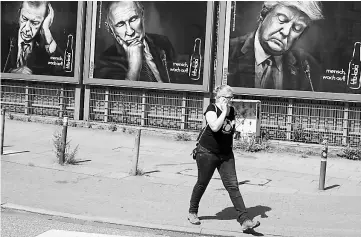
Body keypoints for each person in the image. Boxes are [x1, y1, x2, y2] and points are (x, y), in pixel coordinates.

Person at [188, 85, 260, 232]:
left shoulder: (231, 110)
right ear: (221, 98)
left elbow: (229, 127)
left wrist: (234, 126)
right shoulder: (211, 109)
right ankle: (192, 211)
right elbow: (214, 127)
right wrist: (224, 112)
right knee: (202, 183)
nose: (231, 100)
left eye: (231, 97)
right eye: (229, 98)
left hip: (226, 154)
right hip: (207, 152)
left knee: (233, 186)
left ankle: (245, 220)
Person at [228, 1, 324, 91]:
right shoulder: (228, 52)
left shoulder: (309, 67)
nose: (286, 32)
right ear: (263, 13)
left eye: (297, 28)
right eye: (282, 19)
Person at [94, 1, 176, 83]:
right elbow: (119, 95)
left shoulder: (163, 42)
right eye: (120, 24)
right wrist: (134, 68)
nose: (130, 32)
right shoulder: (105, 62)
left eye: (133, 19)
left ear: (142, 14)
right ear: (110, 29)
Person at [1, 1, 63, 75]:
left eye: (35, 23)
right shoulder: (3, 33)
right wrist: (10, 73)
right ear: (19, 13)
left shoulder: (46, 43)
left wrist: (46, 32)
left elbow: (65, 73)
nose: (27, 28)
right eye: (24, 18)